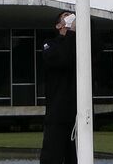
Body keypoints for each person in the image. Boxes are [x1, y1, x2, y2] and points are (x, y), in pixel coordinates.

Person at [39, 10, 79, 164]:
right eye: (66, 17)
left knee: (74, 155)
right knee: (51, 155)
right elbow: (61, 59)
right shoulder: (50, 44)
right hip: (57, 109)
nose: (70, 18)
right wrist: (70, 33)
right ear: (58, 25)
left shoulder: (80, 45)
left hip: (76, 111)